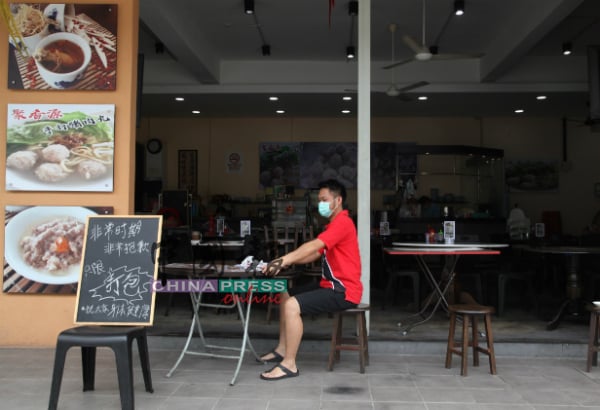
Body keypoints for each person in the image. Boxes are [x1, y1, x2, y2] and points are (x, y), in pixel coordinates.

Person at [259, 179, 362, 381]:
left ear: (338, 200)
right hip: (330, 286)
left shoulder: (343, 222)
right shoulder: (333, 225)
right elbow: (313, 255)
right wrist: (284, 263)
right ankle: (282, 349)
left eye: (324, 199)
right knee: (284, 292)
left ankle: (289, 365)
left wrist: (283, 260)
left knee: (292, 306)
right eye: (319, 200)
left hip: (344, 291)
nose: (320, 204)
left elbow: (314, 246)